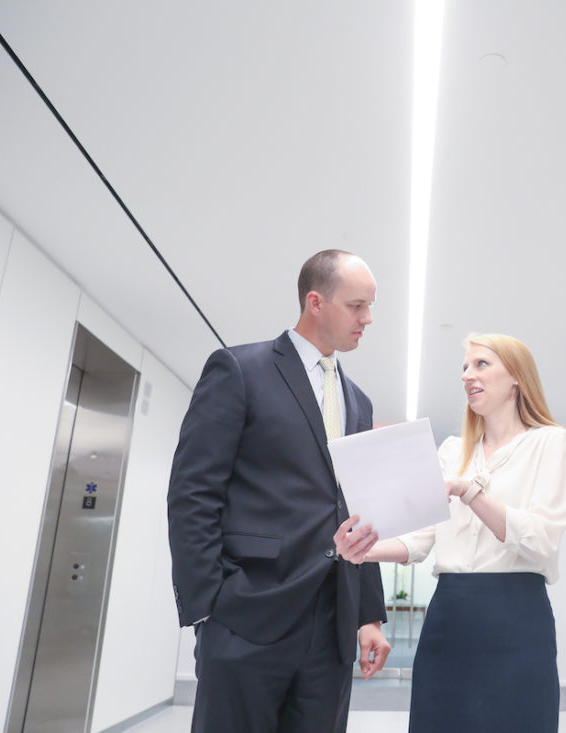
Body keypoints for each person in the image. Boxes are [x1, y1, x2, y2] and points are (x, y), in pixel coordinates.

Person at [167, 249, 391, 733]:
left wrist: (367, 616)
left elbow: (358, 509)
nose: (367, 319)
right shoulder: (240, 370)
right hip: (248, 616)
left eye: (370, 307)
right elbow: (193, 493)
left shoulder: (359, 402)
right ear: (316, 302)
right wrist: (212, 603)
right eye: (357, 306)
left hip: (331, 629)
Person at [335, 333, 566, 733]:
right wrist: (362, 551)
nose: (468, 375)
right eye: (465, 367)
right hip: (450, 615)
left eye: (481, 364)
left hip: (516, 616)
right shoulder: (451, 451)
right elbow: (420, 540)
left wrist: (471, 492)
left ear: (517, 376)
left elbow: (540, 540)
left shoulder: (551, 443)